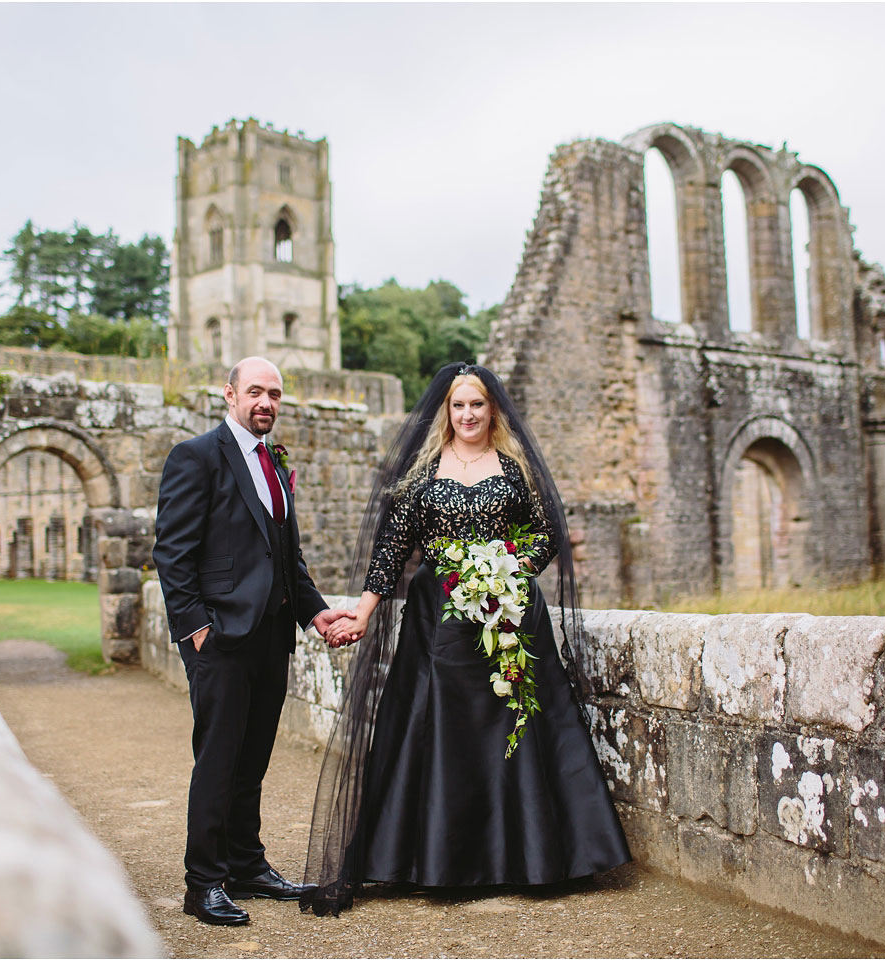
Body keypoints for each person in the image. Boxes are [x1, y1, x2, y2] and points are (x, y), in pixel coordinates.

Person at [302, 362, 630, 916]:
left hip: (510, 615)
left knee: (515, 724)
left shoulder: (514, 469)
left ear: (492, 409)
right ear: (446, 412)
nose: (468, 414)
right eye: (459, 406)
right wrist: (362, 614)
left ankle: (528, 859)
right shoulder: (424, 475)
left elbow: (549, 531)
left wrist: (508, 569)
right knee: (441, 727)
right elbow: (391, 550)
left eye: (477, 404)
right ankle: (437, 860)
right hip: (439, 622)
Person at [154, 356, 353, 926]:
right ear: (230, 394)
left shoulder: (273, 462)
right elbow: (172, 552)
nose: (265, 403)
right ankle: (204, 883)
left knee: (253, 758)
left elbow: (285, 556)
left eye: (275, 395)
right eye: (256, 392)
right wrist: (196, 630)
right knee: (218, 759)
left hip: (271, 637)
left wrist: (315, 614)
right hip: (219, 638)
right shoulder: (196, 456)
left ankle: (246, 864)